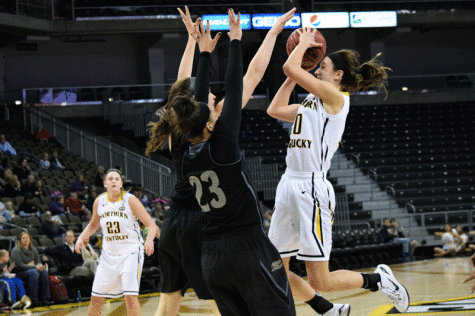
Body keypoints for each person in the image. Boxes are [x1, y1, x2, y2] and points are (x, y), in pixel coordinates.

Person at [146, 6, 298, 316]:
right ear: (209, 118)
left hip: (178, 221)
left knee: (173, 300)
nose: (212, 99)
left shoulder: (181, 136)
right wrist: (251, 38)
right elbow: (246, 78)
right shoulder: (223, 141)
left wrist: (197, 46)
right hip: (215, 230)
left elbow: (184, 85)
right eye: (211, 102)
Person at [266, 27, 409, 314]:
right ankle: (328, 311)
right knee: (271, 267)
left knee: (322, 280)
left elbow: (289, 66)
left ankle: (379, 280)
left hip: (311, 190)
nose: (317, 70)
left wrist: (301, 48)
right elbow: (274, 109)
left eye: (322, 66)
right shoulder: (310, 101)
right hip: (288, 184)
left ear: (338, 75)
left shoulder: (337, 100)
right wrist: (292, 74)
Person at [74, 168, 158, 316]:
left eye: (117, 179)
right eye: (110, 179)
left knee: (130, 298)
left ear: (121, 184)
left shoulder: (130, 200)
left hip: (130, 252)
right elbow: (94, 224)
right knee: (96, 298)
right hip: (108, 255)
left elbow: (151, 224)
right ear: (105, 183)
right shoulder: (99, 202)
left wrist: (149, 240)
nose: (113, 181)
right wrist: (81, 237)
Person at [10, 232, 51, 308]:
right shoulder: (16, 250)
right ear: (20, 240)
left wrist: (40, 266)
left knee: (44, 272)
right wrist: (35, 267)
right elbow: (20, 265)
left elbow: (38, 261)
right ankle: (33, 299)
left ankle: (44, 298)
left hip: (32, 270)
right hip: (20, 272)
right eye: (23, 238)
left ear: (30, 240)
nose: (25, 240)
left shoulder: (33, 249)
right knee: (34, 272)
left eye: (27, 238)